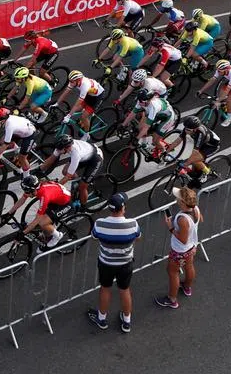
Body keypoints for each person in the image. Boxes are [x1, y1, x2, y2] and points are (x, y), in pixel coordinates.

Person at [87, 193, 140, 333]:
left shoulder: (99, 224)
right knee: (124, 290)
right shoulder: (133, 224)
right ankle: (126, 321)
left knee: (105, 288)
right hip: (126, 263)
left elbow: (94, 237)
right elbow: (138, 237)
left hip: (106, 263)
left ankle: (102, 318)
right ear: (123, 208)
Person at [155, 186, 201, 309]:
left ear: (182, 202)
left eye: (178, 198)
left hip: (180, 250)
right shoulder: (195, 208)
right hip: (191, 248)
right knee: (189, 266)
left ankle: (172, 299)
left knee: (173, 273)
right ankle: (187, 287)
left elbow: (183, 239)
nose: (176, 198)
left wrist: (170, 227)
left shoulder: (182, 219)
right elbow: (200, 220)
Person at [8, 174, 71, 247]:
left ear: (34, 190)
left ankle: (57, 236)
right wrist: (9, 213)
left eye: (27, 192)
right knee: (41, 217)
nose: (26, 194)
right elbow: (22, 199)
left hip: (64, 204)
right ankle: (49, 230)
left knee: (42, 223)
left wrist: (23, 233)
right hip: (56, 198)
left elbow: (37, 219)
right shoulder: (36, 188)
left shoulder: (44, 195)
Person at [41, 135, 103, 209]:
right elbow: (52, 158)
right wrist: (39, 169)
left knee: (82, 187)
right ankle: (79, 180)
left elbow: (68, 177)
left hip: (95, 159)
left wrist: (54, 188)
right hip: (85, 154)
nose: (59, 151)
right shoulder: (62, 146)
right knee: (65, 171)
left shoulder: (75, 154)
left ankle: (83, 207)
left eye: (61, 149)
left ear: (67, 148)